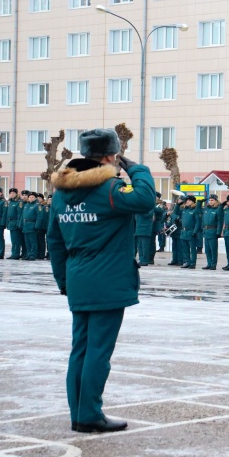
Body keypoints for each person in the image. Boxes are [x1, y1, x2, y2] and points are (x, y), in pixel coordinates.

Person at [48, 128, 155, 433]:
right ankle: (90, 413)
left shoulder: (62, 194)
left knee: (80, 348)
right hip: (107, 279)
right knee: (98, 351)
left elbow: (54, 240)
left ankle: (79, 413)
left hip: (78, 278)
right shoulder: (109, 190)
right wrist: (137, 168)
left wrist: (64, 280)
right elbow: (146, 199)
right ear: (111, 156)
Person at [200, 194, 223, 270]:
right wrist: (199, 203)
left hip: (213, 231)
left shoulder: (218, 209)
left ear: (216, 201)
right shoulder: (206, 209)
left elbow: (220, 221)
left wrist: (218, 232)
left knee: (213, 249)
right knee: (207, 250)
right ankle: (209, 263)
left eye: (212, 200)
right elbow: (202, 218)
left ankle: (213, 264)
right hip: (206, 231)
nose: (210, 201)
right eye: (209, 200)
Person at [179, 195, 200, 269]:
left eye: (189, 200)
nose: (187, 202)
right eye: (186, 200)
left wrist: (195, 232)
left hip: (191, 232)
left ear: (193, 202)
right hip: (184, 232)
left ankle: (193, 263)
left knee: (193, 249)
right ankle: (187, 261)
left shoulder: (195, 210)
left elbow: (198, 222)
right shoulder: (185, 210)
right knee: (185, 249)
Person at [6, 188, 25, 260]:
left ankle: (16, 254)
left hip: (16, 223)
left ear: (16, 194)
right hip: (11, 223)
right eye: (10, 193)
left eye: (13, 193)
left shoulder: (19, 202)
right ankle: (13, 253)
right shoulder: (10, 202)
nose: (12, 194)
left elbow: (20, 214)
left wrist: (19, 223)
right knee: (13, 240)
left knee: (16, 240)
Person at [134, 199, 154, 266]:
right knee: (140, 246)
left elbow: (148, 215)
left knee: (145, 246)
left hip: (145, 229)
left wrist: (141, 210)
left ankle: (145, 260)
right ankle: (141, 259)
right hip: (138, 229)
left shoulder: (149, 207)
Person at [21, 192, 40, 261]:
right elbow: (23, 216)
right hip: (26, 226)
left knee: (33, 242)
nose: (31, 198)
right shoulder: (26, 205)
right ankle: (28, 254)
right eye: (30, 197)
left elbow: (39, 217)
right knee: (27, 242)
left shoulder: (37, 205)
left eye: (32, 197)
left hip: (32, 225)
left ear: (35, 198)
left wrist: (37, 225)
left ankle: (33, 254)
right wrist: (21, 224)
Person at [167, 196, 184, 266]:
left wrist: (178, 221)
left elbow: (183, 219)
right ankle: (174, 259)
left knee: (180, 246)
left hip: (180, 229)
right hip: (174, 230)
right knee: (174, 246)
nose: (178, 201)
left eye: (180, 200)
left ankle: (180, 260)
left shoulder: (183, 209)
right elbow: (173, 216)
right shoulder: (176, 208)